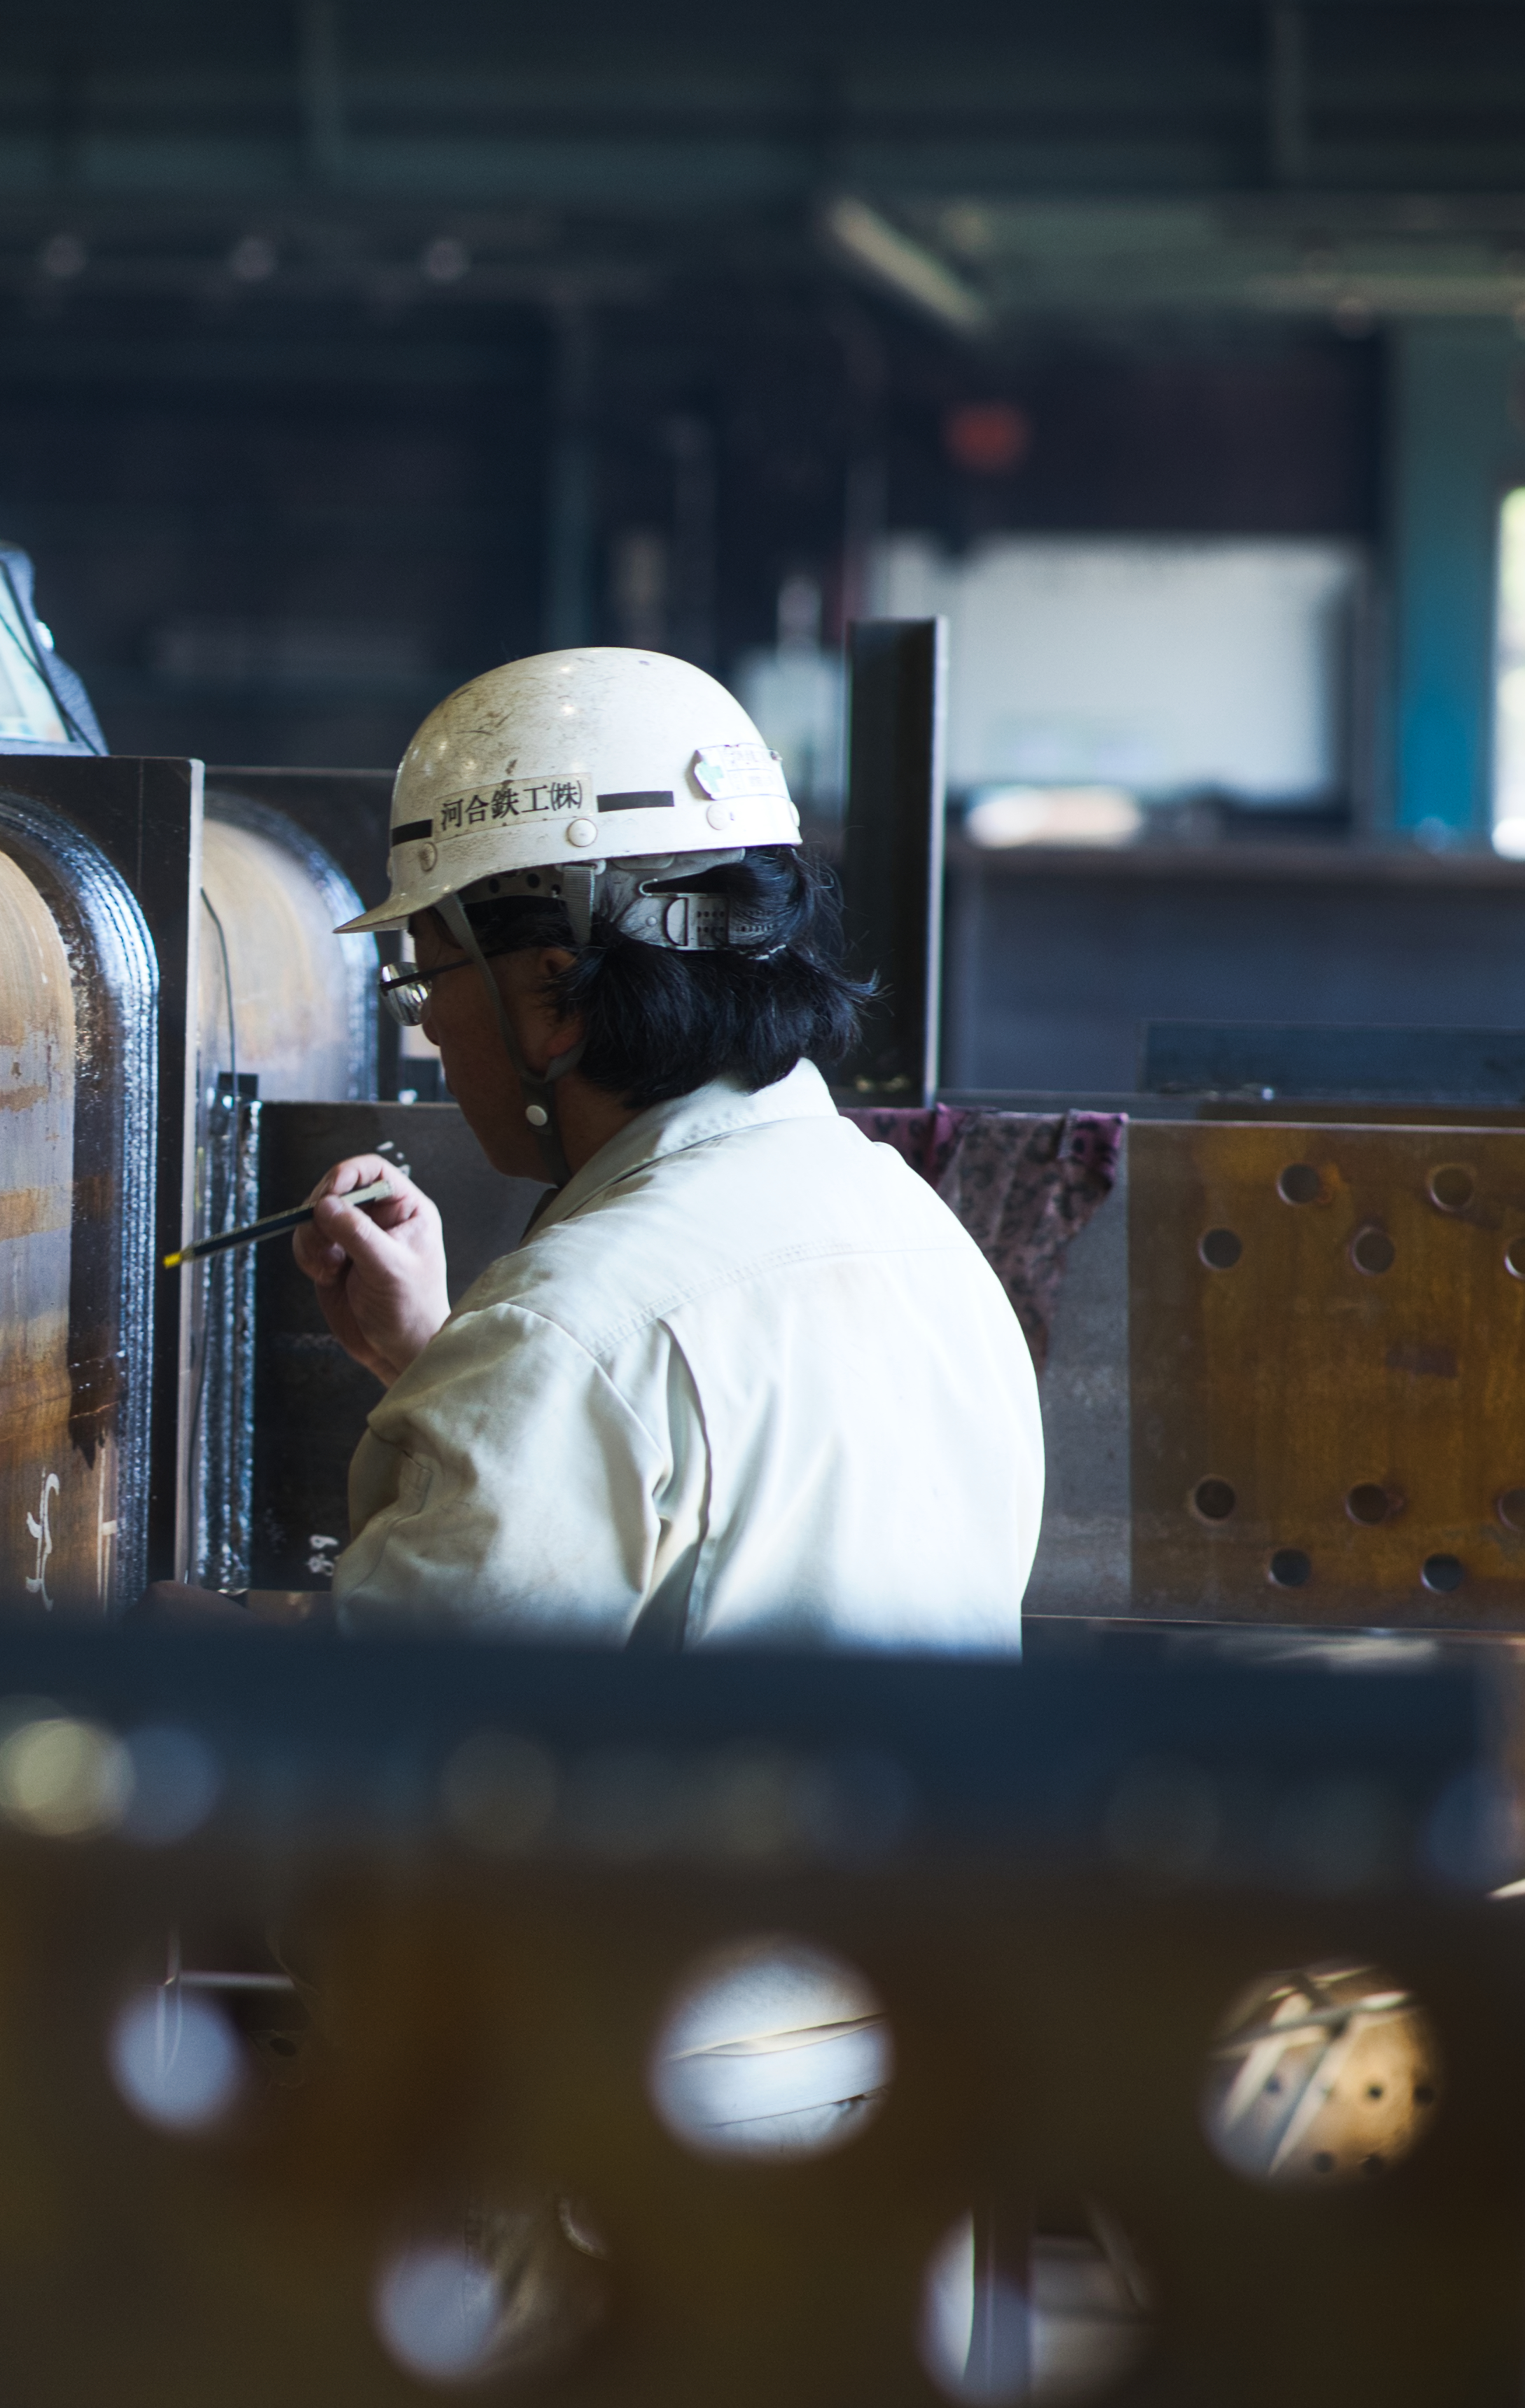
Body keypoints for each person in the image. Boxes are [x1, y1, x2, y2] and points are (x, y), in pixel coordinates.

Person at [288, 646, 1045, 1654]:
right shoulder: (920, 1238)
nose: (429, 1031)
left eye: (427, 982)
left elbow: (388, 1753)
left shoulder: (562, 1336)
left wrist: (171, 1649)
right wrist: (435, 1361)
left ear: (552, 995)